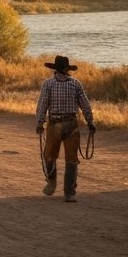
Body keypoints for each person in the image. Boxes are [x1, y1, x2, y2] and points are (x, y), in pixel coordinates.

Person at [36, 55, 95, 202]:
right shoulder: (76, 84)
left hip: (54, 123)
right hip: (71, 125)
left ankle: (51, 181)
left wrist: (39, 122)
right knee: (71, 159)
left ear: (55, 69)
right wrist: (90, 122)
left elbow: (42, 105)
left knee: (49, 155)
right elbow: (85, 105)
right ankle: (69, 193)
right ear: (67, 69)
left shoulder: (48, 84)